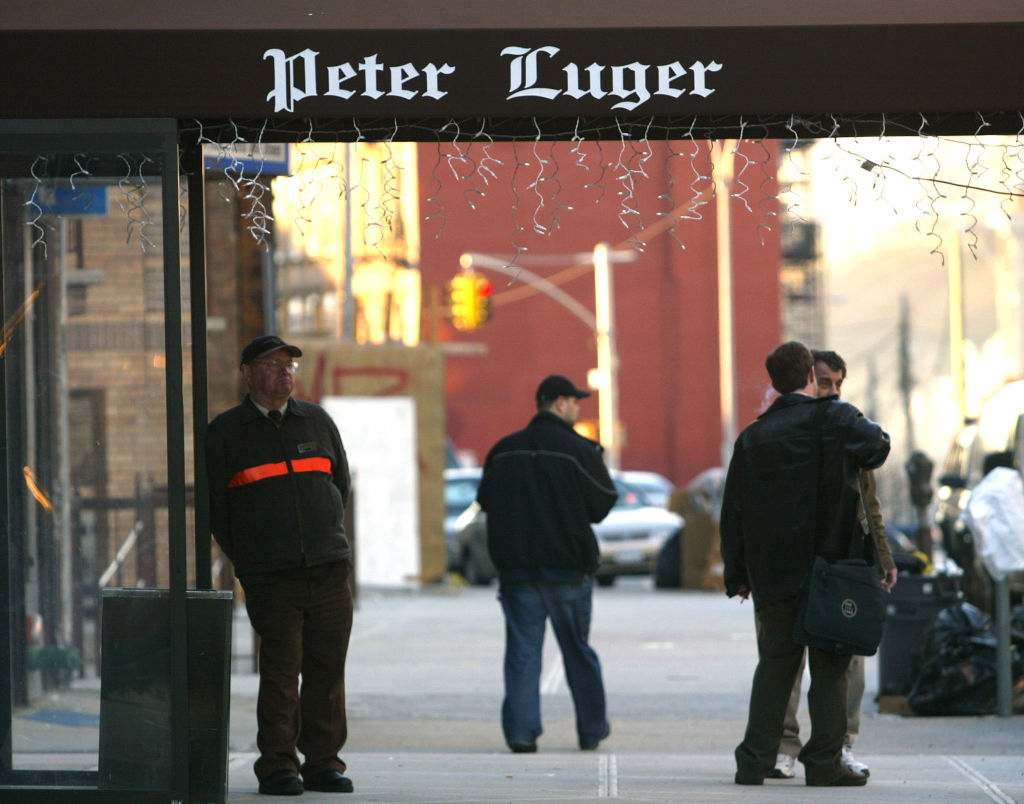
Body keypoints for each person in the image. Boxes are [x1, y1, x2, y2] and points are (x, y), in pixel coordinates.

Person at [721, 341, 890, 787]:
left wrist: (737, 574)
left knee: (775, 666)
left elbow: (733, 512)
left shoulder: (753, 437)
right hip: (831, 572)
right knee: (831, 668)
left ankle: (754, 760)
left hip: (774, 576)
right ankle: (825, 762)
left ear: (775, 383)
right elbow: (877, 446)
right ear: (812, 379)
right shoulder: (837, 419)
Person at [206, 335, 355, 796]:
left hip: (327, 569)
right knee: (281, 671)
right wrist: (250, 562)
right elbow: (218, 510)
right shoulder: (227, 432)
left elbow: (339, 485)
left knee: (327, 670)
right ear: (248, 373)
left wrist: (327, 536)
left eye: (289, 364)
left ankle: (324, 763)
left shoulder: (317, 421)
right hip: (271, 575)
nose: (284, 372)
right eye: (272, 365)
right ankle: (276, 766)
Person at [772, 349, 899, 781]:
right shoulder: (786, 430)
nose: (832, 392)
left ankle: (841, 746)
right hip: (795, 563)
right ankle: (783, 746)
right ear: (809, 381)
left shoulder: (850, 430)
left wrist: (883, 557)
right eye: (825, 383)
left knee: (849, 662)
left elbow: (870, 502)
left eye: (839, 384)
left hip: (845, 565)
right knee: (787, 663)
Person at [476, 374, 618, 754]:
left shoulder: (503, 450)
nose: (577, 407)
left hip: (517, 572)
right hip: (568, 571)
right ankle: (591, 730)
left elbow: (486, 500)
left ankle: (522, 733)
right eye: (575, 401)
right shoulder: (579, 451)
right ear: (558, 403)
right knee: (577, 650)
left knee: (522, 654)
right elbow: (603, 503)